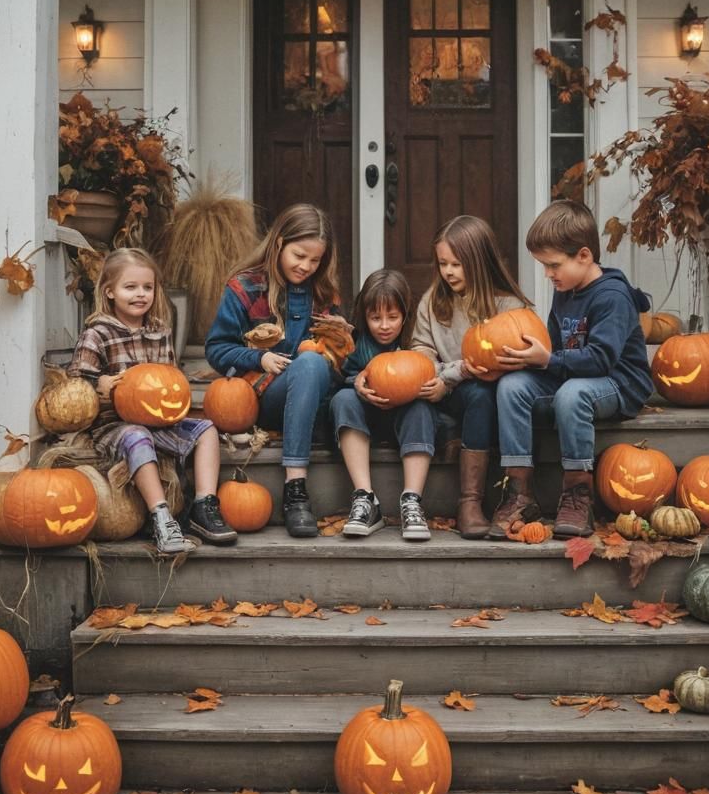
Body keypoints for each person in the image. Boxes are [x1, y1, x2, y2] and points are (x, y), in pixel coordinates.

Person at [493, 200, 653, 540]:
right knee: (512, 386)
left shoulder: (612, 296)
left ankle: (578, 494)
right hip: (574, 377)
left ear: (583, 256)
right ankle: (519, 491)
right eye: (544, 266)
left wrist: (548, 361)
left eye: (553, 265)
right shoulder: (565, 290)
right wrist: (529, 358)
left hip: (618, 382)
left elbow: (600, 359)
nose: (548, 274)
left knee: (571, 394)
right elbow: (555, 347)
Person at [68, 248, 236, 555]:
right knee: (137, 435)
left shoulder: (160, 331)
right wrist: (99, 382)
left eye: (148, 287)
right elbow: (76, 383)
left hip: (160, 421)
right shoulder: (98, 333)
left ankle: (204, 505)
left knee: (207, 430)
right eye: (130, 287)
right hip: (115, 424)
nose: (140, 294)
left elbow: (169, 379)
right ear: (109, 291)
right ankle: (161, 517)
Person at [206, 203, 344, 538]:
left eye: (315, 260)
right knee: (308, 364)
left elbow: (337, 359)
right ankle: (296, 494)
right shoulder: (244, 288)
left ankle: (295, 489)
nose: (306, 267)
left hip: (313, 394)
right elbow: (216, 349)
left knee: (313, 362)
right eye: (299, 256)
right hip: (264, 397)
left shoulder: (323, 294)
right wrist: (259, 358)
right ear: (279, 243)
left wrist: (337, 345)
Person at [411, 215, 533, 540]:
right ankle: (450, 439)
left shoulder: (508, 307)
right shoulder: (433, 302)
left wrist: (457, 374)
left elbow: (501, 364)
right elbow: (421, 350)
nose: (448, 272)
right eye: (442, 264)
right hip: (442, 390)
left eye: (457, 264)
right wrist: (437, 374)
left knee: (481, 392)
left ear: (480, 262)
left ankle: (470, 501)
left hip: (483, 394)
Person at [330, 269, 437, 542]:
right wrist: (356, 383)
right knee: (343, 399)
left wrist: (432, 387)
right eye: (375, 318)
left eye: (392, 317)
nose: (384, 325)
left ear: (405, 315)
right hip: (365, 420)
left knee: (421, 409)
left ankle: (412, 500)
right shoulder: (355, 344)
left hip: (407, 420)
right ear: (364, 316)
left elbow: (432, 373)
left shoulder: (417, 342)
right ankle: (365, 498)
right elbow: (341, 377)